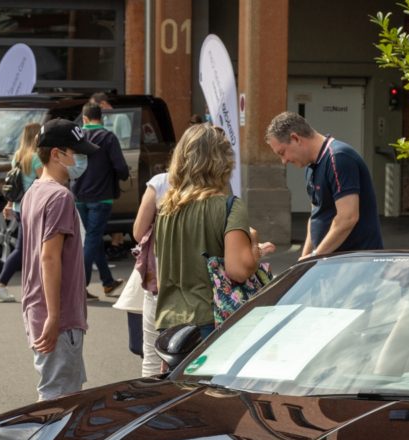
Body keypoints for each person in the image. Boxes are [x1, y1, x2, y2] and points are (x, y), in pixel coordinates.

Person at [155, 123, 273, 335]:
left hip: (169, 322)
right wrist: (254, 243)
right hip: (211, 321)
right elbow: (238, 270)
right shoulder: (229, 206)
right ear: (223, 162)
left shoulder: (166, 208)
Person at [19, 119, 98, 400]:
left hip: (38, 307)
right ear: (56, 154)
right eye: (75, 152)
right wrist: (55, 316)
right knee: (59, 402)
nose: (79, 159)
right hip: (58, 314)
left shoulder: (33, 193)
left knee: (59, 391)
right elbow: (49, 257)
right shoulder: (60, 196)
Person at [265, 112, 382, 259]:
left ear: (295, 138)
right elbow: (316, 215)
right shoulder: (311, 165)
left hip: (354, 262)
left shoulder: (338, 158)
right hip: (330, 263)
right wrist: (305, 259)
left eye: (282, 153)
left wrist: (316, 256)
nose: (284, 160)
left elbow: (348, 217)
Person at [73, 102, 128, 298]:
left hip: (79, 195)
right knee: (92, 239)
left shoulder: (77, 137)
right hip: (102, 197)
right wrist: (121, 175)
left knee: (92, 239)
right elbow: (121, 167)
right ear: (101, 118)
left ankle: (107, 281)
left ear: (85, 118)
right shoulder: (108, 137)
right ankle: (81, 285)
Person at [0, 122, 43, 303]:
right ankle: (1, 284)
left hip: (20, 207)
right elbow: (45, 182)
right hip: (33, 206)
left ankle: (31, 286)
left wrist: (9, 204)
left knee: (30, 248)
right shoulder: (35, 158)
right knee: (25, 249)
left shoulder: (18, 157)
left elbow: (14, 183)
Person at [124, 170, 169, 377]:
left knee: (151, 359)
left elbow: (138, 232)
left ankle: (153, 404)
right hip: (198, 288)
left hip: (158, 279)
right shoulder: (213, 188)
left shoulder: (161, 182)